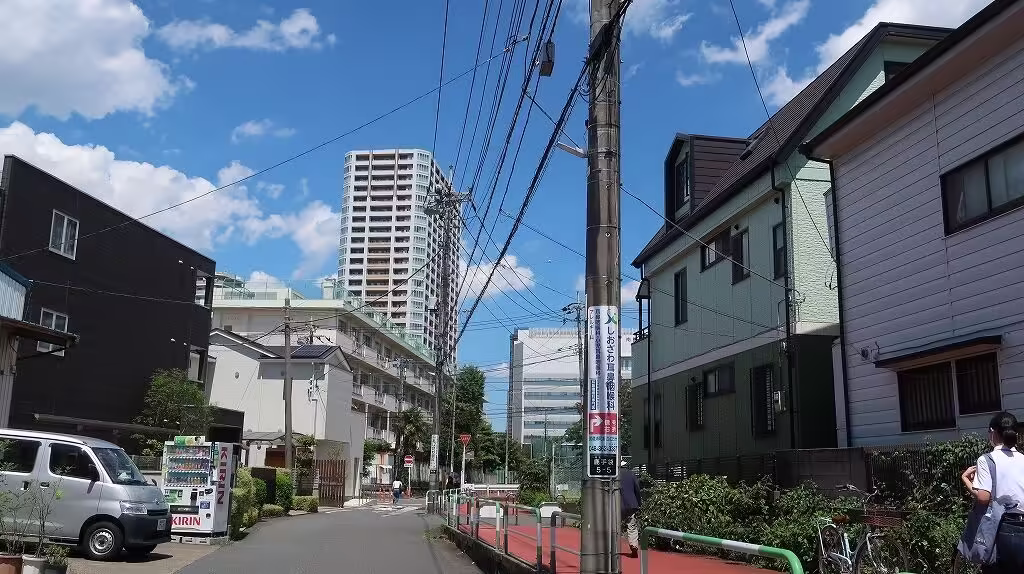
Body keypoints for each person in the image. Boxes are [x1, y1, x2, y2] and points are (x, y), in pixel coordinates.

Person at [961, 411, 1024, 573]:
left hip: (1003, 528)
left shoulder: (987, 459)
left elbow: (983, 498)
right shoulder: (1023, 459)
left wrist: (966, 480)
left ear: (994, 432)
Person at [620, 460, 642, 558]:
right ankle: (633, 545)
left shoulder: (613, 475)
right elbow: (637, 489)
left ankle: (612, 548)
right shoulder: (631, 474)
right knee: (632, 526)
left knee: (614, 527)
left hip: (618, 505)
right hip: (631, 504)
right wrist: (638, 503)